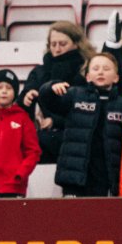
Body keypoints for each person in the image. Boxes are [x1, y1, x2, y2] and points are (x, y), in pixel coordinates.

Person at [39, 52, 122, 196]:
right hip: (75, 177)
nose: (101, 72)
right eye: (95, 68)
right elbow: (48, 102)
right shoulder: (74, 95)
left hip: (108, 179)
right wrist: (50, 87)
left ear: (116, 77)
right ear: (88, 76)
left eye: (106, 69)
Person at [18, 21, 93, 163]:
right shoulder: (39, 71)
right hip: (43, 133)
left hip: (75, 133)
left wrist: (54, 121)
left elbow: (86, 109)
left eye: (63, 44)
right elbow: (22, 104)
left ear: (76, 44)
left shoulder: (85, 70)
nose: (57, 49)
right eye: (53, 45)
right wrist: (26, 98)